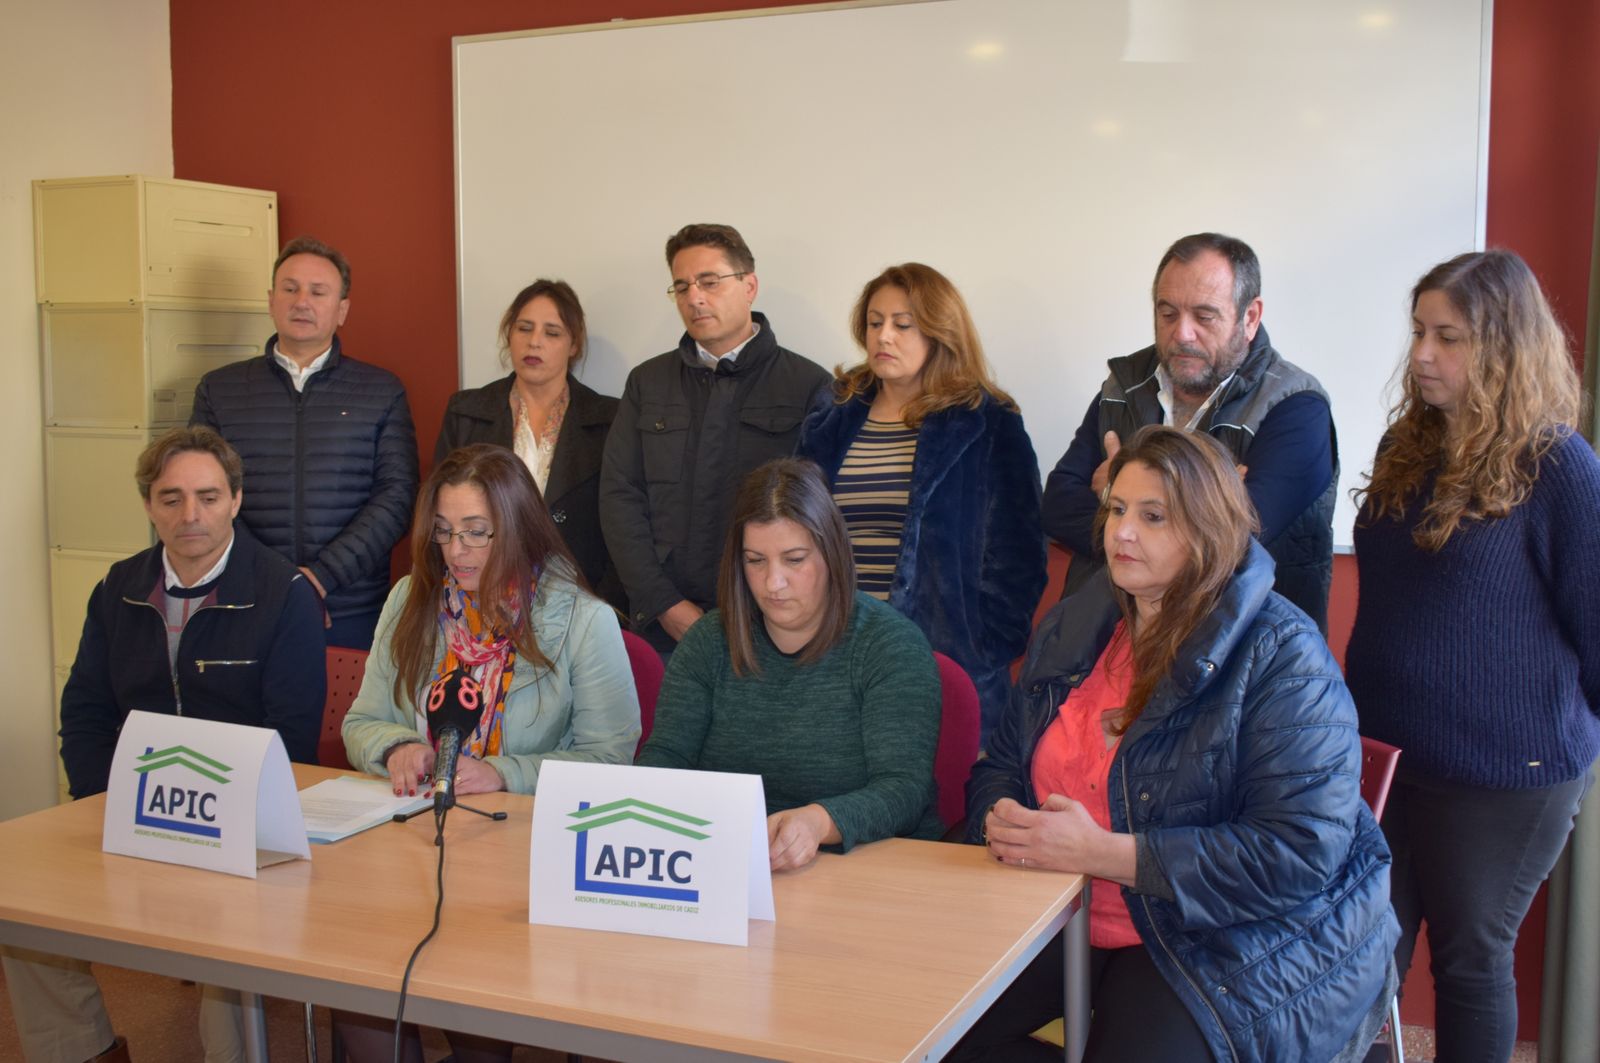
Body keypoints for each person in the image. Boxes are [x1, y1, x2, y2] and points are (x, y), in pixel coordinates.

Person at [955, 426, 1397, 1063]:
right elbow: (1001, 761)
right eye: (1117, 510)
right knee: (928, 1028)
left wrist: (1108, 854)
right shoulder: (1078, 621)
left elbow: (1300, 853)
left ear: (1207, 529)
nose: (1121, 533)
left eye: (1153, 516)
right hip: (1061, 908)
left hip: (1228, 936)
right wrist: (1001, 816)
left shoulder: (1283, 654)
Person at [1345, 250, 1600, 1063]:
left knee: (1469, 963)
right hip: (1385, 761)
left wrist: (1553, 739)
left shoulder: (1557, 467)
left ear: (1502, 347)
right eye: (1419, 331)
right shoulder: (1406, 448)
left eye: (1447, 337)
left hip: (1503, 777)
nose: (1422, 353)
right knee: (1355, 957)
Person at [3, 426, 324, 1063]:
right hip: (131, 809)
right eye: (171, 498)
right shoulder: (118, 589)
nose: (190, 515)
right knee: (23, 910)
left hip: (238, 825)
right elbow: (87, 713)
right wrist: (102, 805)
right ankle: (81, 1049)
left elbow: (290, 737)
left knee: (227, 943)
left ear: (236, 499)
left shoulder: (282, 592)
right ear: (149, 505)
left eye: (207, 496)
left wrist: (223, 825)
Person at [337, 444, 640, 1062]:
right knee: (355, 978)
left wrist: (501, 771)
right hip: (415, 845)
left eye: (478, 533)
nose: (457, 552)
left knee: (470, 990)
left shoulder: (582, 620)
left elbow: (611, 763)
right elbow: (362, 720)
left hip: (520, 857)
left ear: (520, 529)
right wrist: (395, 746)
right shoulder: (409, 602)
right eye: (445, 533)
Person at [636, 458, 942, 869]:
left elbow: (903, 790)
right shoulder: (709, 642)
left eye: (794, 559)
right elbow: (665, 759)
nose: (772, 583)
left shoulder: (889, 645)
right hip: (724, 860)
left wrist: (818, 822)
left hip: (864, 866)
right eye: (755, 560)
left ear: (831, 554)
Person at [1041, 232, 1338, 631]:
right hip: (1101, 642)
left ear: (1249, 317)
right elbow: (1058, 503)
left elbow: (1234, 541)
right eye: (1167, 314)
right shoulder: (1122, 386)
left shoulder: (1296, 407)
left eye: (1204, 316)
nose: (1181, 333)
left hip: (1239, 657)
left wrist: (1117, 494)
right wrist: (1200, 502)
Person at [796, 262, 1045, 739]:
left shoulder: (987, 422)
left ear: (939, 331)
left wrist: (983, 644)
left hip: (941, 663)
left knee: (936, 804)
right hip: (831, 655)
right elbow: (795, 530)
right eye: (874, 322)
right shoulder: (832, 419)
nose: (884, 336)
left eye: (902, 324)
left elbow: (1020, 556)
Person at [600, 223, 829, 657]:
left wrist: (770, 607)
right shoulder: (648, 383)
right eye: (681, 286)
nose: (694, 297)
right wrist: (663, 602)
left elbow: (821, 520)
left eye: (709, 282)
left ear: (749, 286)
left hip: (771, 627)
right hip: (662, 628)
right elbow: (619, 496)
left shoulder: (808, 385)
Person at [192, 235, 419, 651]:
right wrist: (268, 577)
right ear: (270, 299)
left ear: (342, 309)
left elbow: (397, 497)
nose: (302, 301)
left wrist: (320, 577)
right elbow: (202, 494)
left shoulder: (381, 391)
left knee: (344, 716)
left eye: (318, 292)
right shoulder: (219, 391)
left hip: (350, 607)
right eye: (290, 288)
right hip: (245, 599)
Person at [434, 279, 622, 611]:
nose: (534, 342)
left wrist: (600, 602)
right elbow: (438, 511)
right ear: (509, 334)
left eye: (552, 333)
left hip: (578, 599)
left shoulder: (610, 418)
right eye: (524, 328)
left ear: (573, 345)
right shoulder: (466, 412)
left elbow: (622, 521)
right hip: (481, 597)